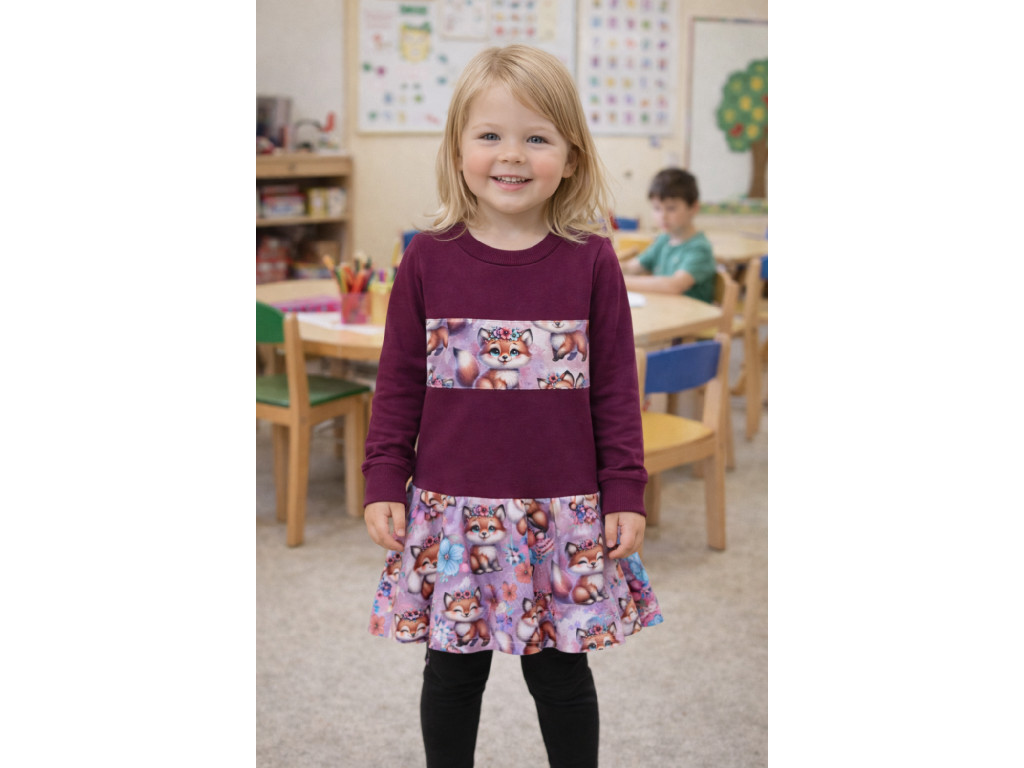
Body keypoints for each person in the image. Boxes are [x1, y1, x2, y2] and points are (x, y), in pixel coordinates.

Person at [362, 44, 663, 768]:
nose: (512, 155)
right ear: (457, 148)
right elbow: (398, 382)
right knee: (451, 675)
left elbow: (616, 388)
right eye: (490, 135)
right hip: (452, 511)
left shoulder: (592, 260)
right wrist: (383, 477)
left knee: (560, 677)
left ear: (571, 155)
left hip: (559, 513)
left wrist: (625, 488)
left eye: (536, 137)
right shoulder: (426, 257)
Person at [619, 168, 717, 302]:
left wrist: (618, 281)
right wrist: (603, 270)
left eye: (671, 208)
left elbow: (674, 285)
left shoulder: (699, 247)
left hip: (690, 314)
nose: (662, 216)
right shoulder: (664, 239)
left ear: (694, 208)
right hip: (666, 309)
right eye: (656, 208)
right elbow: (632, 267)